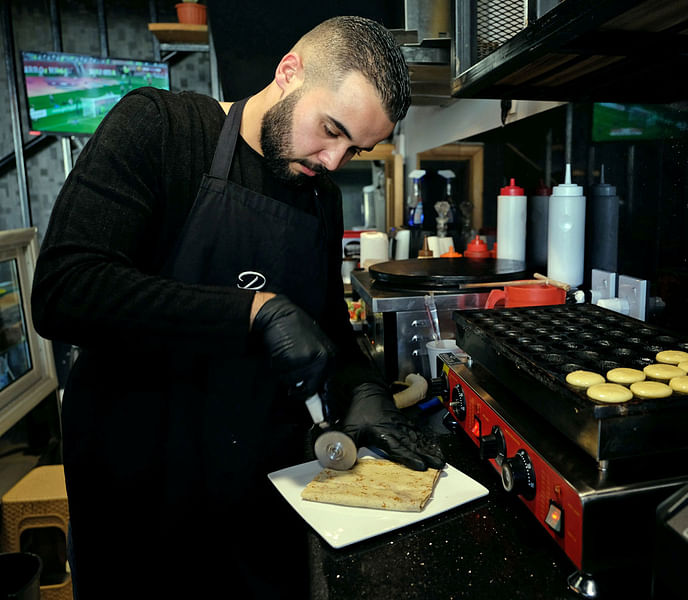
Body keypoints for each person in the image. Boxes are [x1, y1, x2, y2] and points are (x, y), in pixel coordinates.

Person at [31, 16, 443, 599]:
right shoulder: (160, 128)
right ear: (288, 72)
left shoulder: (318, 197)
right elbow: (65, 291)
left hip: (261, 499)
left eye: (355, 148)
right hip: (142, 500)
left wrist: (363, 389)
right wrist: (252, 312)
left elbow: (327, 325)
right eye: (330, 130)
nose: (333, 162)